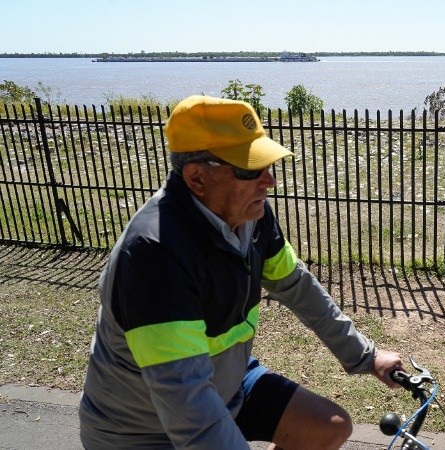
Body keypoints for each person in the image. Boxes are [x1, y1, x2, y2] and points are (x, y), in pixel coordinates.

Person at [79, 95, 405, 449]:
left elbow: (297, 285)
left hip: (228, 387)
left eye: (268, 165)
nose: (269, 181)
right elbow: (189, 405)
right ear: (197, 177)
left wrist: (365, 356)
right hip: (143, 430)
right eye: (250, 169)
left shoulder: (252, 218)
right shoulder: (153, 254)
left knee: (329, 427)